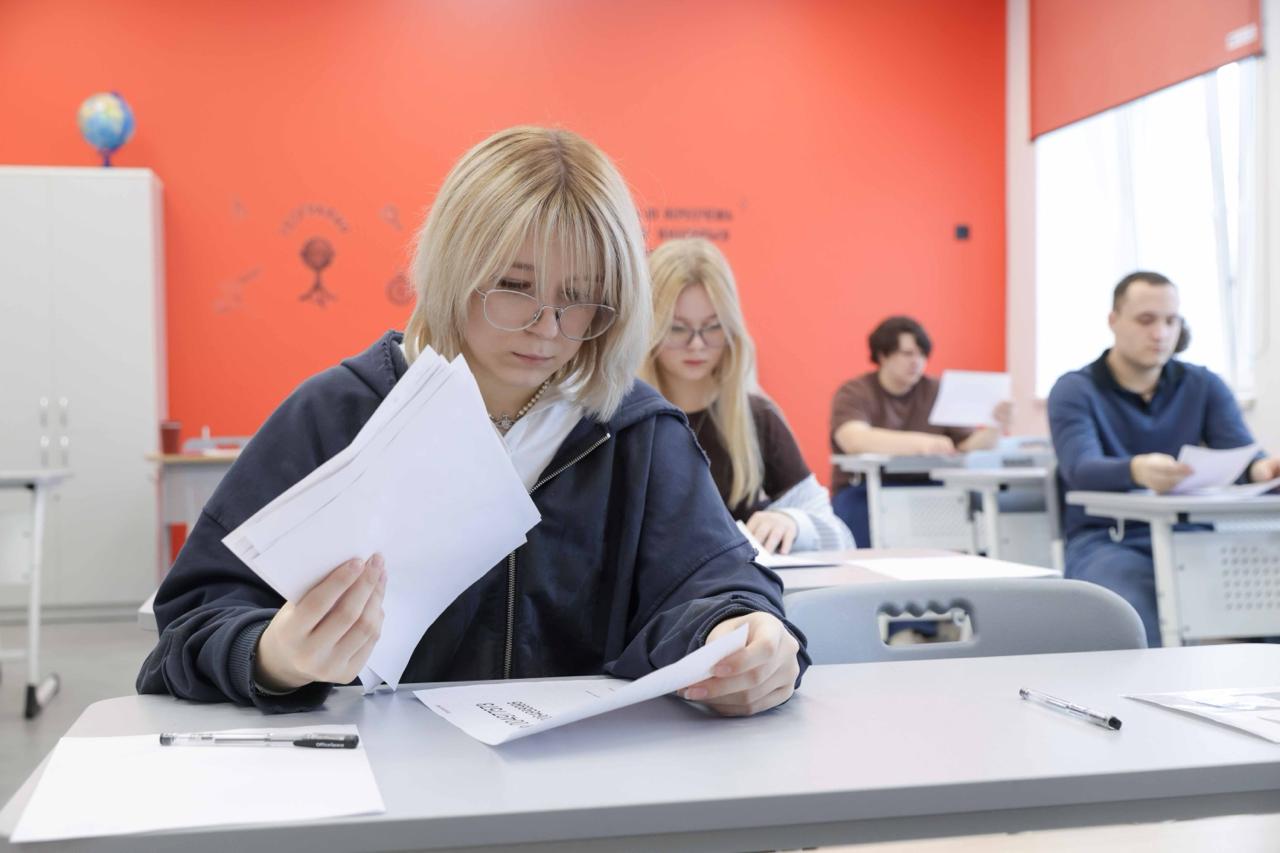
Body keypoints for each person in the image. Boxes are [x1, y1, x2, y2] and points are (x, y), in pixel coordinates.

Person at [137, 127, 808, 716]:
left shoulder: (637, 433)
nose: (547, 326)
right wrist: (274, 655)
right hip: (377, 788)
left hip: (582, 789)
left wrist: (742, 636)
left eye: (579, 298)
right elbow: (191, 622)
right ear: (455, 268)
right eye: (514, 285)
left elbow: (720, 584)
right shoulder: (337, 415)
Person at [1049, 271, 1280, 646]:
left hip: (1192, 537)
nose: (1160, 333)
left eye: (1171, 321)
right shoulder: (1075, 389)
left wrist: (1262, 469)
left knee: (1268, 597)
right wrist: (1136, 469)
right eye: (1146, 320)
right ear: (1113, 320)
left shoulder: (1203, 384)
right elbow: (1080, 469)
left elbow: (1240, 451)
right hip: (1109, 540)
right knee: (1131, 620)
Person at [640, 238, 853, 553]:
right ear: (649, 328)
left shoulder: (756, 418)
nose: (696, 344)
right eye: (677, 328)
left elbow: (840, 537)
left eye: (712, 327)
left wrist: (793, 522)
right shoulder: (619, 420)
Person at [829, 316, 1010, 545]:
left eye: (922, 354)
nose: (916, 361)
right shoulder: (855, 392)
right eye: (907, 354)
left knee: (978, 516)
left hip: (930, 486)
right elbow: (854, 439)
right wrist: (924, 444)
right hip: (865, 489)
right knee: (858, 525)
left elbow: (967, 444)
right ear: (883, 355)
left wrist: (996, 425)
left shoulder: (936, 390)